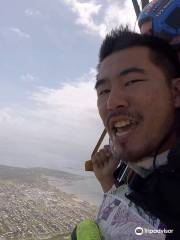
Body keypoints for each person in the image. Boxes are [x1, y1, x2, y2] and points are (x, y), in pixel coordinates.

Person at [91, 26, 180, 240]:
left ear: (176, 92)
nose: (112, 102)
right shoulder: (154, 171)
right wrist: (107, 182)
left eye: (132, 82)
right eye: (104, 91)